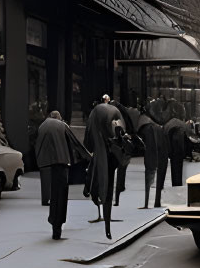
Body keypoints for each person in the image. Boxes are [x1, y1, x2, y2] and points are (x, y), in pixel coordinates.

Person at [33, 110, 84, 241]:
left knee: (53, 195)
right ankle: (57, 229)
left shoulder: (43, 126)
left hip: (48, 165)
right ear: (59, 117)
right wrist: (88, 156)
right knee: (61, 196)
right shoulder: (62, 125)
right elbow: (75, 143)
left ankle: (53, 224)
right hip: (61, 165)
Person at [84, 95, 128, 239]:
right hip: (113, 154)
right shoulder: (115, 110)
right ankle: (107, 224)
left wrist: (90, 147)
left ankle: (93, 194)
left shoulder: (96, 112)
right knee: (107, 185)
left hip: (102, 152)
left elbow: (89, 137)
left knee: (101, 181)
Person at [139, 99, 169, 209]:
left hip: (153, 156)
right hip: (160, 156)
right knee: (158, 178)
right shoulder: (157, 127)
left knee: (151, 176)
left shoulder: (149, 126)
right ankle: (156, 201)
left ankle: (149, 202)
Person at [165, 107, 200, 191]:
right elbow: (191, 136)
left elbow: (164, 136)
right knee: (179, 168)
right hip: (179, 150)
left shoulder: (168, 124)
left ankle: (175, 183)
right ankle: (178, 184)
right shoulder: (182, 124)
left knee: (174, 167)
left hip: (171, 150)